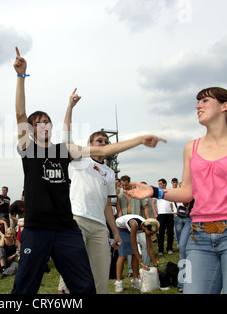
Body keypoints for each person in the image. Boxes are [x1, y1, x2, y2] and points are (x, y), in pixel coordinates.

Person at [11, 47, 166, 294]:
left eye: (46, 122)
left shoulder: (65, 150)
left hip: (66, 229)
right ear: (29, 130)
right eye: (37, 123)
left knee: (84, 286)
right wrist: (21, 77)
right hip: (36, 228)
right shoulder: (27, 148)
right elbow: (20, 112)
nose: (43, 125)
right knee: (25, 286)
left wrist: (137, 139)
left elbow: (103, 153)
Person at [125, 87, 227, 294]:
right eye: (198, 102)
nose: (198, 106)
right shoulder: (191, 147)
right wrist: (154, 191)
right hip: (199, 236)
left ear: (225, 106)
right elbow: (188, 192)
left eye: (205, 101)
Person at [57, 92, 122, 294]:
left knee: (101, 274)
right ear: (90, 144)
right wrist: (70, 107)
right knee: (73, 270)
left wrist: (116, 231)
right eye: (98, 141)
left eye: (105, 142)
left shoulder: (110, 173)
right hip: (78, 220)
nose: (102, 144)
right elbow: (65, 137)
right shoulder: (79, 160)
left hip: (100, 227)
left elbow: (106, 206)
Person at [114, 215, 159, 293]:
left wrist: (155, 264)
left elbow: (149, 247)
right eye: (151, 233)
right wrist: (141, 262)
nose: (151, 235)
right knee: (123, 255)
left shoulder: (146, 227)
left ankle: (135, 280)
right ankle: (118, 282)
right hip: (120, 228)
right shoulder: (134, 224)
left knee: (134, 255)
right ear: (145, 228)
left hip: (129, 228)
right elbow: (134, 245)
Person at [153, 178, 174, 255]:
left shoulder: (169, 191)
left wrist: (172, 210)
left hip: (169, 214)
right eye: (158, 184)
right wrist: (155, 213)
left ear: (165, 184)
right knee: (161, 233)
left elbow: (172, 202)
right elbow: (153, 203)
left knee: (170, 232)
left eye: (160, 184)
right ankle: (160, 250)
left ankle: (169, 248)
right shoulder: (157, 192)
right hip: (161, 214)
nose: (159, 185)